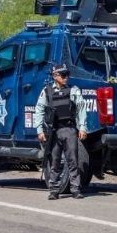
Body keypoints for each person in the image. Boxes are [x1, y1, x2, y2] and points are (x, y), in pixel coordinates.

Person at [33, 63, 88, 200]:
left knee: (73, 161)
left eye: (67, 74)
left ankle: (75, 189)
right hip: (54, 130)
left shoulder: (73, 90)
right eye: (63, 75)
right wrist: (40, 130)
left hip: (69, 129)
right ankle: (53, 190)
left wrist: (82, 127)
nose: (66, 78)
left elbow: (81, 108)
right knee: (55, 161)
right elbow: (39, 110)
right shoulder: (47, 91)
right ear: (55, 76)